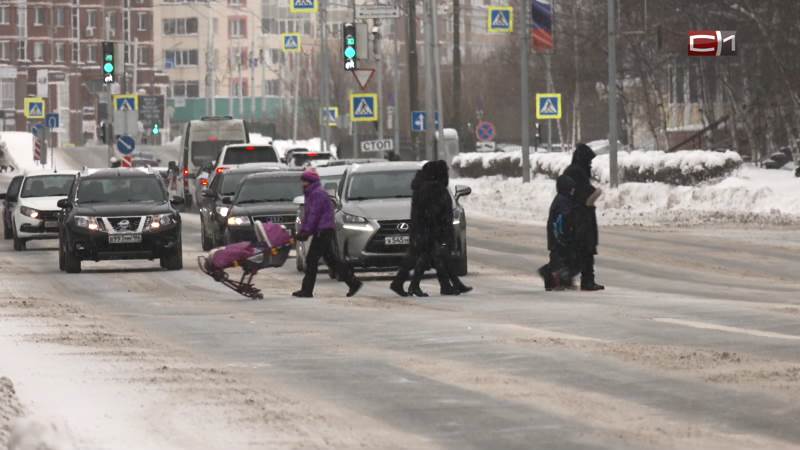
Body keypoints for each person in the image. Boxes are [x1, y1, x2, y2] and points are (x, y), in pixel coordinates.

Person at [293, 167, 362, 298]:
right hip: (323, 230)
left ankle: (307, 290)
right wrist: (303, 231)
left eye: (304, 181)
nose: (302, 184)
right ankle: (353, 283)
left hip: (323, 230)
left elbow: (314, 215)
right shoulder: (311, 193)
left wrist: (306, 232)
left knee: (312, 260)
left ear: (310, 182)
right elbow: (308, 216)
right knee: (331, 261)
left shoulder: (317, 193)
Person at [562, 143, 605, 291]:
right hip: (580, 215)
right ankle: (585, 280)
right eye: (589, 161)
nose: (590, 165)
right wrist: (596, 193)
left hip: (575, 214)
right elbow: (585, 194)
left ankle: (567, 278)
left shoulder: (573, 170)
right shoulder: (577, 172)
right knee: (585, 248)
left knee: (580, 248)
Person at [538, 175, 580, 291]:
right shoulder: (562, 201)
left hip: (561, 236)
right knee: (560, 261)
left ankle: (558, 279)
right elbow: (564, 219)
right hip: (559, 236)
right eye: (571, 188)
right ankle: (557, 280)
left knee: (567, 258)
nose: (573, 191)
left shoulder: (565, 199)